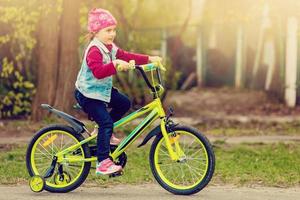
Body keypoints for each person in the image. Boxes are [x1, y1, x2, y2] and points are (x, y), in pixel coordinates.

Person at [74, 8, 161, 175]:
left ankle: (102, 131)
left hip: (101, 91)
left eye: (114, 30)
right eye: (108, 30)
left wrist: (149, 58)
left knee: (124, 103)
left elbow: (126, 55)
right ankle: (102, 162)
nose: (112, 34)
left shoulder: (109, 47)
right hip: (88, 95)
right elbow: (98, 72)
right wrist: (115, 65)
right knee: (106, 122)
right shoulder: (94, 50)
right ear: (96, 32)